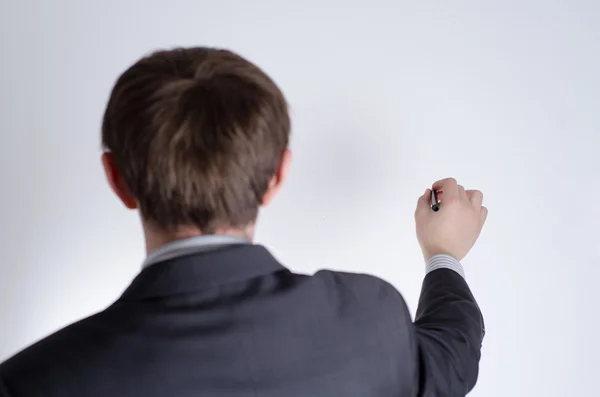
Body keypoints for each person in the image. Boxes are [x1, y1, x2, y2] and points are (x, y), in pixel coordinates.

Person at [0, 47, 487, 397]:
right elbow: (448, 361)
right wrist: (443, 254)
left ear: (117, 180)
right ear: (279, 174)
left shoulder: (32, 381)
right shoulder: (368, 319)